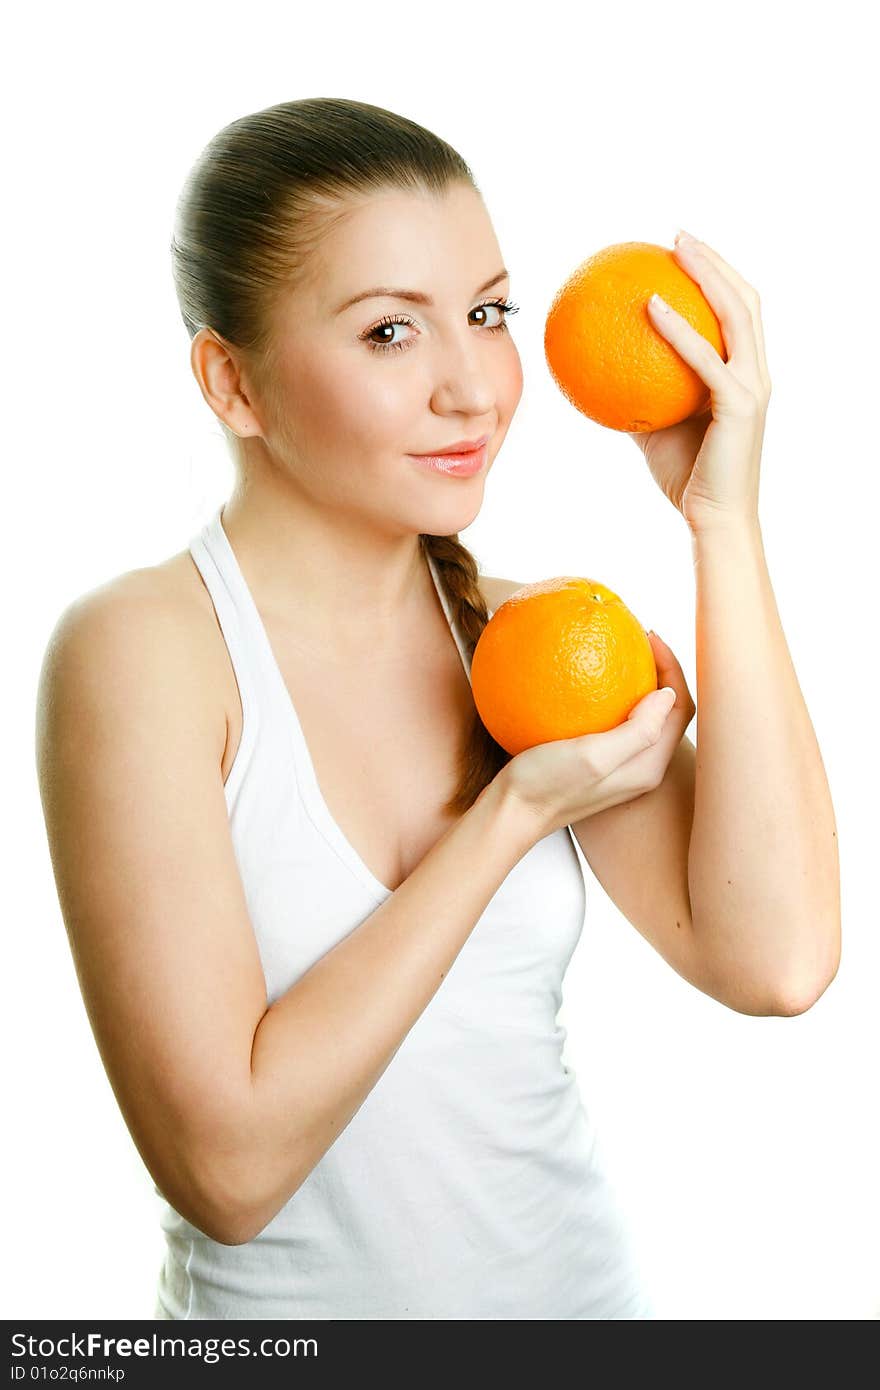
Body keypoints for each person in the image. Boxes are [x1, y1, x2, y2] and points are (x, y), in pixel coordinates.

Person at [35, 96, 726, 1320]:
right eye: (391, 332)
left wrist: (721, 518)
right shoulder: (143, 653)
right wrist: (507, 818)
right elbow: (228, 1173)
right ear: (230, 381)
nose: (473, 388)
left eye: (486, 314)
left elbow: (776, 962)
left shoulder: (530, 643)